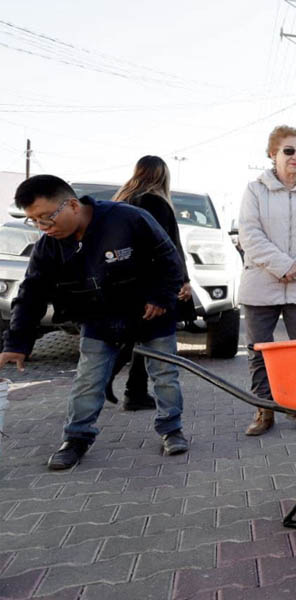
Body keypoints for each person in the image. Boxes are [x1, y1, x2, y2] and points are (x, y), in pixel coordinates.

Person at [0, 175, 190, 470]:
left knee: (165, 375)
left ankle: (171, 430)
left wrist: (161, 298)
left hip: (151, 315)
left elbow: (170, 259)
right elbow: (31, 294)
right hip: (99, 320)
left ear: (72, 205)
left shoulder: (128, 219)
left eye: (47, 217)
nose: (43, 227)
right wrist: (17, 343)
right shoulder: (48, 247)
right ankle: (75, 439)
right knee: (88, 381)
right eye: (34, 221)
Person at [239, 125, 296, 436]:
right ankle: (264, 410)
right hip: (261, 284)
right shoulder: (255, 190)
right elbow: (249, 234)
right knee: (260, 352)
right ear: (272, 154)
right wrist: (283, 266)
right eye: (289, 151)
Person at [106, 156, 193, 410]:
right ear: (161, 175)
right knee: (145, 337)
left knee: (138, 336)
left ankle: (135, 392)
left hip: (126, 282)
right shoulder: (156, 202)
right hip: (152, 283)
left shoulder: (122, 200)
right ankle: (114, 381)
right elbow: (166, 246)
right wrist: (181, 280)